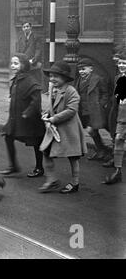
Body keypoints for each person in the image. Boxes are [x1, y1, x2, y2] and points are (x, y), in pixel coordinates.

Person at [39, 61, 87, 194]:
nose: (52, 79)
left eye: (56, 76)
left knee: (73, 156)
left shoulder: (71, 92)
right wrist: (46, 114)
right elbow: (51, 106)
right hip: (55, 130)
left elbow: (71, 110)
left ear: (65, 78)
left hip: (69, 130)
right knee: (46, 151)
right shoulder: (52, 89)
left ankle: (75, 183)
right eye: (51, 76)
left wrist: (53, 119)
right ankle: (51, 180)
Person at [0, 53, 45, 177]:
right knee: (8, 136)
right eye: (12, 63)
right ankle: (13, 166)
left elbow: (36, 101)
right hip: (15, 118)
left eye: (16, 63)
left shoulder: (31, 81)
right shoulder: (15, 80)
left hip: (30, 120)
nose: (12, 66)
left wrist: (27, 113)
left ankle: (39, 167)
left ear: (23, 65)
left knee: (36, 142)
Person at [74, 58, 110, 161]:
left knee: (91, 130)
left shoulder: (98, 79)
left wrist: (101, 104)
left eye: (83, 69)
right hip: (83, 110)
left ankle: (103, 150)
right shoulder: (79, 80)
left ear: (91, 69)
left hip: (95, 110)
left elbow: (105, 93)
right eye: (80, 69)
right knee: (91, 131)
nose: (81, 72)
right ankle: (101, 150)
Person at [102, 51, 126, 185]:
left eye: (124, 63)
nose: (121, 65)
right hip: (121, 115)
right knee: (118, 140)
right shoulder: (118, 78)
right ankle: (118, 171)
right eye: (120, 63)